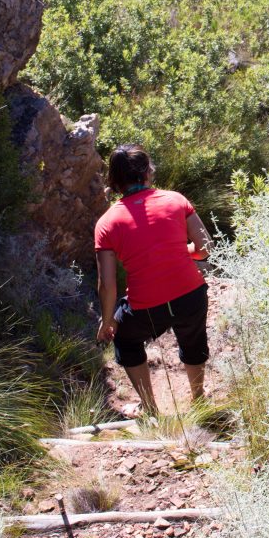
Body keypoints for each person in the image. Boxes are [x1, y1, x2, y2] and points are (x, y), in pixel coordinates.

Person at [94, 144, 214, 415]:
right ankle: (198, 397)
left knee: (125, 339)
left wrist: (107, 319)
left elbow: (107, 284)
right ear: (148, 172)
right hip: (191, 295)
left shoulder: (106, 223)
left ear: (114, 180)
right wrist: (179, 252)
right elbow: (205, 246)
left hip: (147, 307)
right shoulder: (175, 200)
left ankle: (150, 408)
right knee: (192, 339)